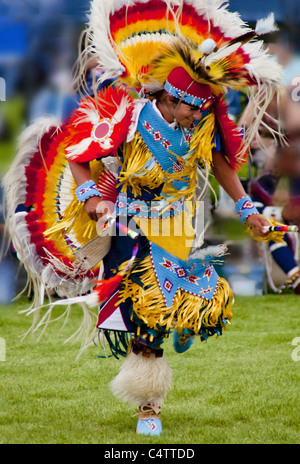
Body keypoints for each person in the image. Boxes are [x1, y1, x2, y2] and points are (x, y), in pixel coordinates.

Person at [3, 0, 285, 436]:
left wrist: (247, 208)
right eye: (192, 110)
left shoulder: (202, 122)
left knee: (183, 309)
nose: (198, 118)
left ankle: (170, 336)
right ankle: (149, 405)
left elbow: (223, 162)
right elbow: (80, 156)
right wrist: (93, 199)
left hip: (175, 226)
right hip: (125, 228)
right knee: (139, 315)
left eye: (203, 112)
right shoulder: (126, 118)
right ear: (172, 100)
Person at [251, 140, 300, 293]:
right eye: (285, 157)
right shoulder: (264, 182)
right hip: (279, 230)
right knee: (272, 229)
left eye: (293, 158)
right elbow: (254, 211)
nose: (289, 162)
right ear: (277, 159)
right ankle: (297, 280)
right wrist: (281, 213)